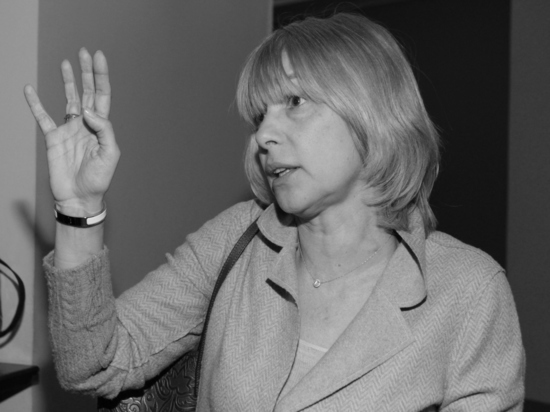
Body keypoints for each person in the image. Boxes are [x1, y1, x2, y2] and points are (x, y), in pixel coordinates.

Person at [24, 13, 524, 411]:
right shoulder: (233, 241)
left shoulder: (469, 291)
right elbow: (94, 364)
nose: (264, 135)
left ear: (373, 113)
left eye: (295, 101)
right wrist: (78, 210)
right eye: (260, 115)